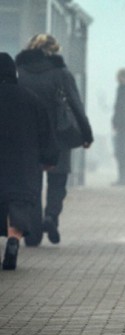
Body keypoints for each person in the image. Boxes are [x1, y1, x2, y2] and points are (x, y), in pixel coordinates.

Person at [15, 34, 94, 245]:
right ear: (54, 50)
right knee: (58, 181)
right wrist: (86, 134)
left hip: (29, 137)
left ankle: (33, 233)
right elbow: (76, 105)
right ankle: (51, 216)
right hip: (60, 135)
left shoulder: (19, 72)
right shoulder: (61, 73)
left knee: (32, 184)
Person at [0, 52, 58, 269]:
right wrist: (50, 158)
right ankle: (13, 240)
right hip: (23, 165)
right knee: (18, 204)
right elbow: (46, 132)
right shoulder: (30, 99)